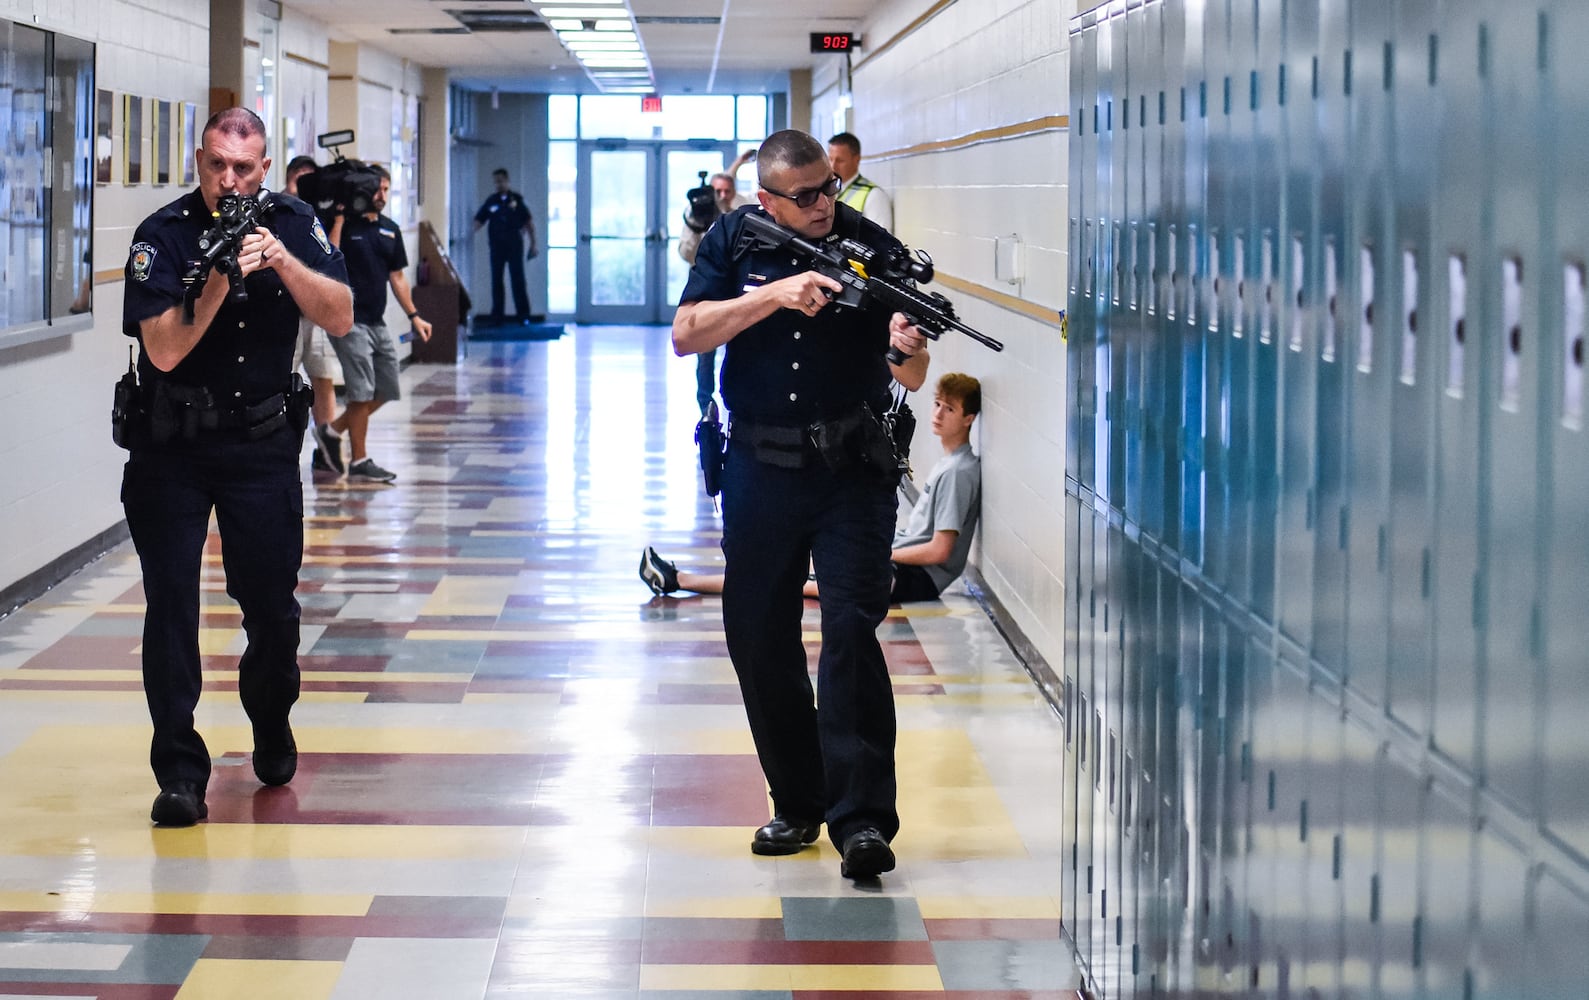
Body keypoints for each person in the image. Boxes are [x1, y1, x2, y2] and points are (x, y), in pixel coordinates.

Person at [671, 129, 930, 881]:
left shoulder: (870, 246)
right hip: (758, 466)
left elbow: (910, 375)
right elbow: (687, 335)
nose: (824, 204)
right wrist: (771, 295)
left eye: (828, 188)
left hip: (850, 467)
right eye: (806, 195)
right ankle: (796, 799)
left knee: (851, 629)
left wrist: (907, 341)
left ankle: (861, 822)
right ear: (767, 199)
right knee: (758, 632)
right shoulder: (730, 240)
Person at [120, 107, 353, 827]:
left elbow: (341, 314)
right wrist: (219, 274)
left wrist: (279, 258)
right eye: (217, 164)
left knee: (272, 610)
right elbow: (162, 351)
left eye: (244, 168)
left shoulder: (293, 221)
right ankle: (180, 772)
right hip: (173, 449)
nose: (229, 179)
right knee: (171, 610)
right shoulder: (162, 234)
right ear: (199, 160)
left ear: (265, 166)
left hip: (259, 448)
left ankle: (271, 720)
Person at [641, 372, 982, 603]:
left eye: (949, 409)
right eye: (937, 404)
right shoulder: (951, 465)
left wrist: (880, 554)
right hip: (901, 564)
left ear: (969, 419)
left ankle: (680, 580)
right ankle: (679, 579)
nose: (937, 414)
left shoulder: (958, 472)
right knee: (786, 569)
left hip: (915, 579)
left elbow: (940, 551)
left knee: (789, 581)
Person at [320, 163, 432, 483]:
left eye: (386, 189)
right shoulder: (345, 224)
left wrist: (414, 315)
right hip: (349, 321)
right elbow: (330, 257)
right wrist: (340, 219)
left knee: (386, 389)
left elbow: (397, 277)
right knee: (360, 393)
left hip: (377, 321)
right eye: (376, 189)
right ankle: (359, 460)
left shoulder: (389, 229)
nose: (381, 195)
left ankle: (331, 433)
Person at [678, 149, 755, 414]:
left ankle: (741, 402)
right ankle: (706, 408)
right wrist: (698, 227)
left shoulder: (745, 209)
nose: (723, 196)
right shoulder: (697, 211)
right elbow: (686, 254)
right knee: (705, 353)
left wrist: (739, 163)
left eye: (727, 191)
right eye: (718, 191)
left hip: (740, 290)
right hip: (708, 290)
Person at [282, 154, 345, 474]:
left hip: (316, 311)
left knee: (324, 378)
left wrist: (336, 219)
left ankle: (326, 448)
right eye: (299, 178)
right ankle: (282, 448)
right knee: (284, 377)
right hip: (287, 310)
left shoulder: (319, 213)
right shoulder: (278, 210)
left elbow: (330, 258)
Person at [472, 168, 539, 325]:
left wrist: (534, 244)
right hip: (497, 247)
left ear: (507, 181)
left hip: (514, 246)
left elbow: (529, 223)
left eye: (501, 181)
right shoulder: (492, 201)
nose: (499, 184)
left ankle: (523, 315)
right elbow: (479, 220)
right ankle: (497, 316)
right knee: (497, 281)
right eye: (496, 181)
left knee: (518, 280)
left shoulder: (517, 200)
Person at [827, 132, 894, 232]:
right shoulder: (828, 191)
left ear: (856, 159)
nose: (833, 166)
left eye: (840, 160)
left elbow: (880, 241)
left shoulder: (874, 195)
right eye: (830, 159)